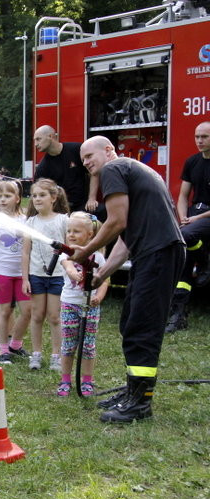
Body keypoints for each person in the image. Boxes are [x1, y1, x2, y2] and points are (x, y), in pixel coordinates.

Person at [72, 136, 184, 423]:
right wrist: (101, 274)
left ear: (109, 150)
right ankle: (133, 392)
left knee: (142, 328)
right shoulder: (133, 170)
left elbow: (116, 221)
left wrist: (85, 251)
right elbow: (125, 238)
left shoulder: (114, 168)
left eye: (90, 155)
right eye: (83, 159)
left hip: (157, 253)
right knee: (131, 323)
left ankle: (140, 403)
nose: (86, 163)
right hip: (156, 253)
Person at [57, 212, 110, 397]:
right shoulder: (67, 253)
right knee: (68, 344)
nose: (71, 234)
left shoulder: (98, 258)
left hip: (90, 307)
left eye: (76, 231)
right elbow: (68, 265)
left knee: (88, 346)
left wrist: (99, 297)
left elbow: (104, 280)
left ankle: (87, 381)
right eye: (69, 231)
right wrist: (73, 273)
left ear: (89, 234)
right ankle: (65, 380)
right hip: (69, 304)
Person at [165, 121, 210, 333]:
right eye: (197, 136)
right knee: (184, 255)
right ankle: (178, 314)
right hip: (193, 217)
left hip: (206, 216)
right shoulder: (192, 162)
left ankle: (205, 262)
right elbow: (183, 196)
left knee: (184, 237)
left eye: (205, 137)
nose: (200, 141)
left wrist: (195, 219)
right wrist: (183, 216)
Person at [21, 179, 69, 371]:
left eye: (42, 195)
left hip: (58, 276)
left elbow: (70, 249)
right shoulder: (30, 222)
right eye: (34, 196)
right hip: (36, 276)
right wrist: (25, 279)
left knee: (55, 317)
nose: (37, 199)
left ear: (54, 198)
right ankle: (36, 354)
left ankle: (57, 356)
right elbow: (25, 252)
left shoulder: (63, 220)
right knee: (37, 315)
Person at [0, 179, 31, 364]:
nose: (3, 199)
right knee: (5, 311)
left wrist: (27, 276)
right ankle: (3, 350)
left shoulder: (25, 221)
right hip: (1, 274)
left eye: (8, 196)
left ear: (18, 198)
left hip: (22, 275)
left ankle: (16, 345)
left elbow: (28, 250)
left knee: (27, 311)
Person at [33, 125, 100, 216]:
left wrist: (92, 198)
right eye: (35, 140)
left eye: (38, 139)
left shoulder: (77, 149)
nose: (35, 144)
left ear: (50, 136)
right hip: (61, 212)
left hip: (84, 206)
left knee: (101, 213)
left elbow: (94, 172)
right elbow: (37, 192)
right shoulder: (42, 168)